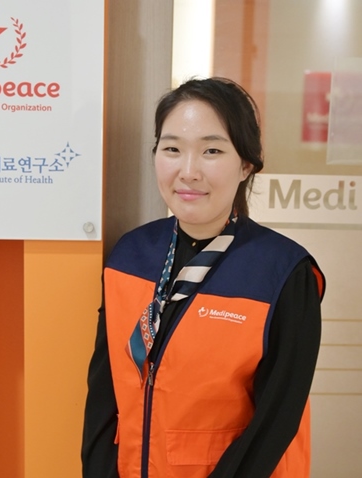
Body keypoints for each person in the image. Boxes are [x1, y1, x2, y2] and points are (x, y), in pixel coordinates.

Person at [81, 77, 325, 478]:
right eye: (172, 149)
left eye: (212, 150)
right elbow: (104, 396)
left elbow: (276, 422)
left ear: (246, 164)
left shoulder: (283, 272)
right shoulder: (129, 256)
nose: (188, 171)